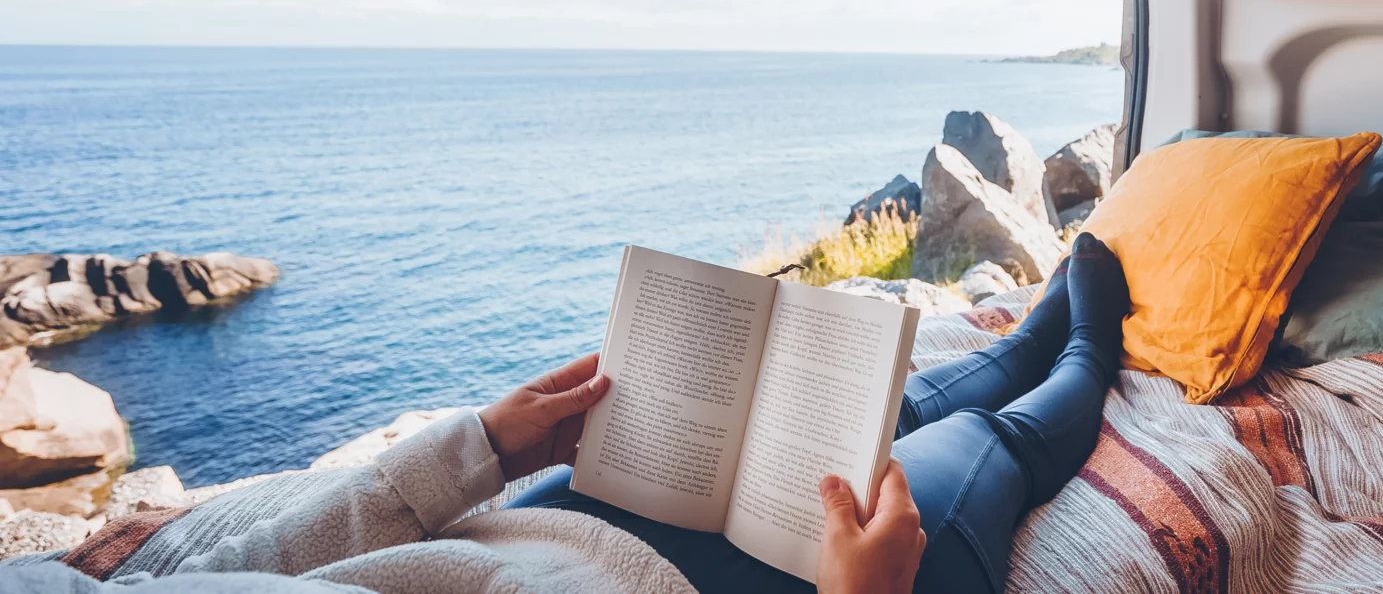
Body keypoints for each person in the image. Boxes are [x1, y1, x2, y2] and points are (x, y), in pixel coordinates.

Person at [1, 234, 1127, 594]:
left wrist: (479, 446)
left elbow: (257, 563)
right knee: (988, 445)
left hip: (543, 527)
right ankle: (1083, 351)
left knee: (887, 404)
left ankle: (1026, 340)